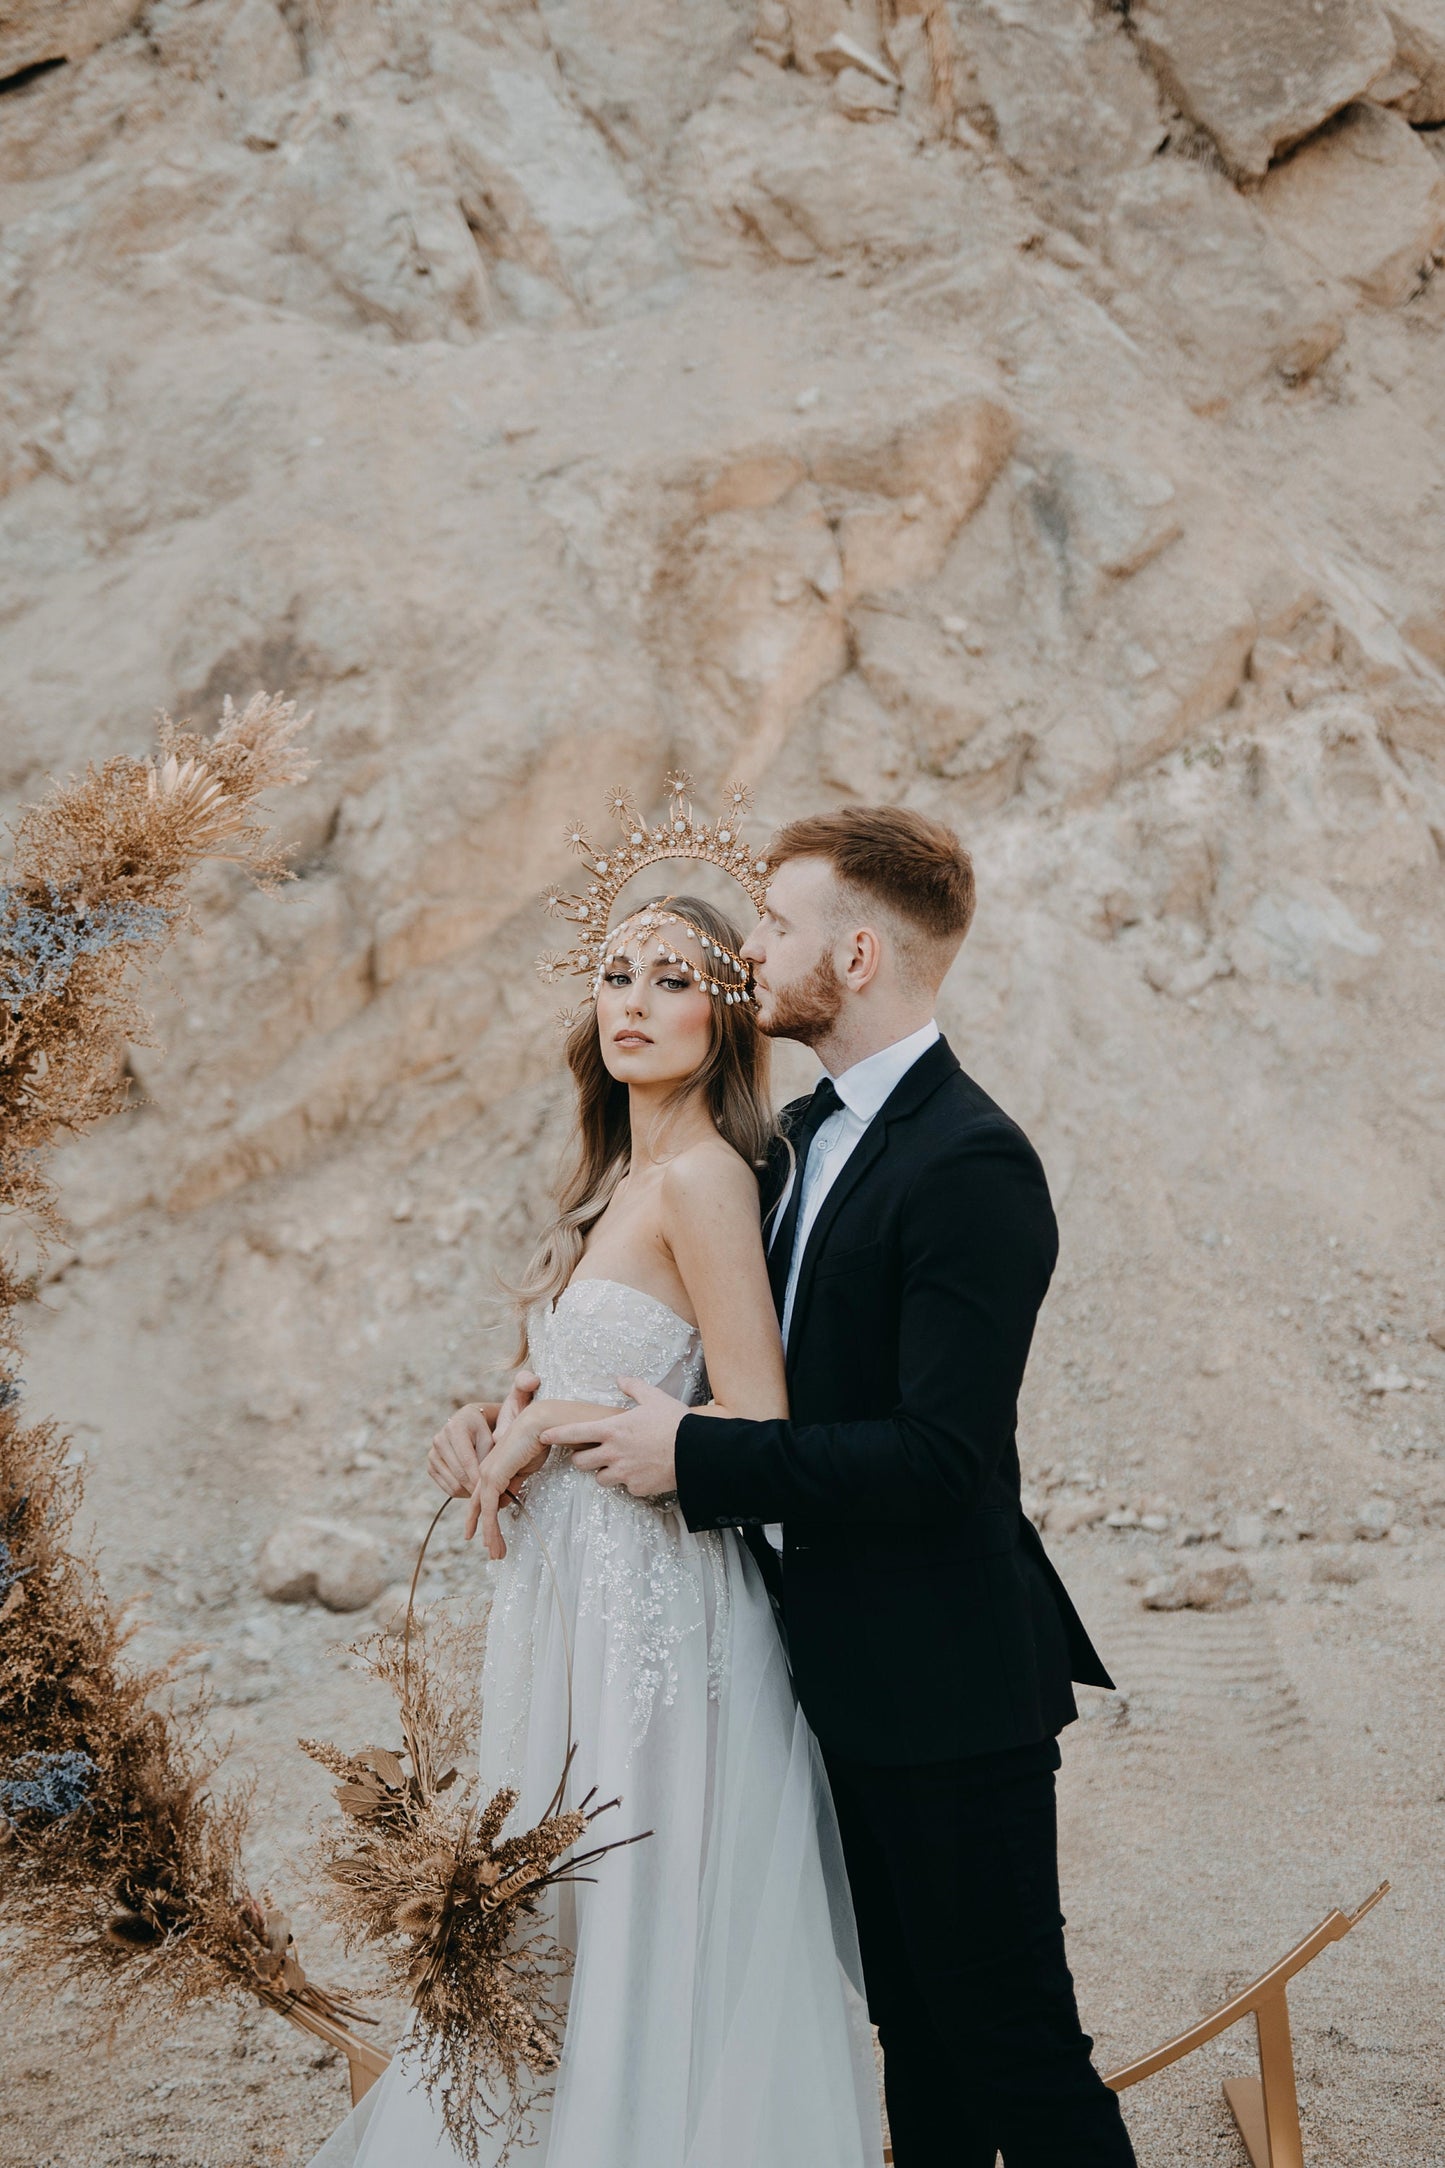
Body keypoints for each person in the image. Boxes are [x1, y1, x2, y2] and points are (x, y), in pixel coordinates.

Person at [543, 808, 1137, 2168]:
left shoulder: (970, 1162)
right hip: (836, 1681)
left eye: (774, 928)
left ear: (856, 953)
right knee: (915, 2047)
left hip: (950, 1687)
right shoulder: (807, 1136)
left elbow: (942, 1459)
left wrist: (696, 1457)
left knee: (1015, 2052)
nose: (750, 953)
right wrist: (532, 1414)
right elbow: (682, 1327)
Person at [306, 892, 884, 2168]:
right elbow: (588, 1378)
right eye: (614, 972)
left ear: (726, 1007)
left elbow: (750, 1416)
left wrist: (557, 1415)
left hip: (658, 1604)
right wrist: (489, 1417)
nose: (631, 999)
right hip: (569, 1592)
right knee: (552, 1895)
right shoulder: (616, 1176)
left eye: (671, 977)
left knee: (629, 1884)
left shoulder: (704, 1180)